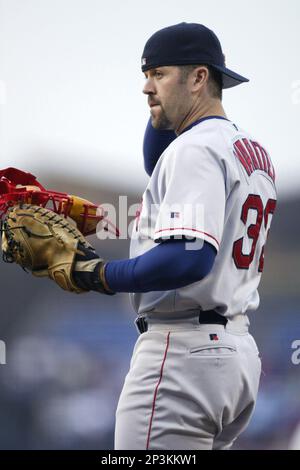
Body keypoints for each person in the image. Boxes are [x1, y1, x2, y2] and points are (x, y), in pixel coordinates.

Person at [72, 22, 278, 449]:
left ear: (199, 77)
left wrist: (100, 274)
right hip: (234, 356)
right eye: (146, 76)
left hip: (182, 356)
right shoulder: (247, 150)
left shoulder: (195, 148)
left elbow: (188, 257)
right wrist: (164, 106)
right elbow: (157, 161)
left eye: (159, 74)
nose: (147, 87)